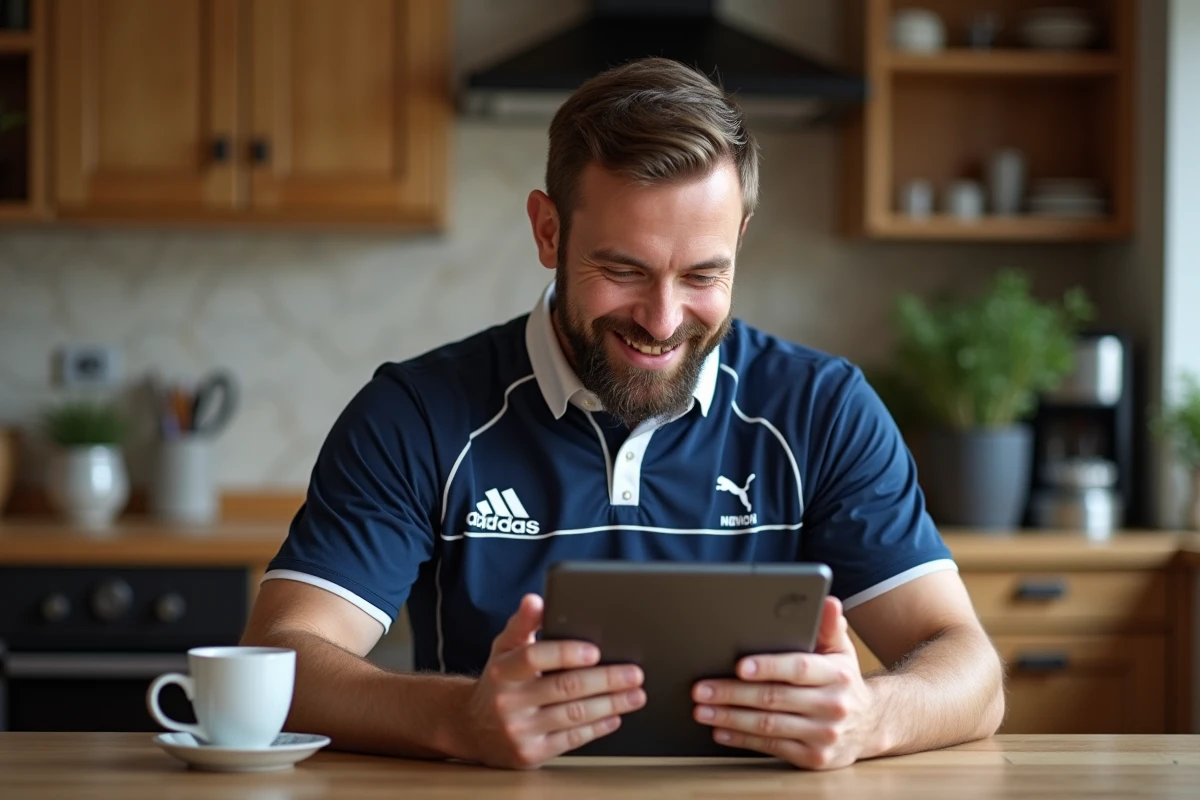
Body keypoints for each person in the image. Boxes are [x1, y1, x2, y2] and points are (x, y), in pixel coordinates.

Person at [240, 56, 1004, 771]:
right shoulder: (417, 414)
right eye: (623, 270)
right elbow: (284, 658)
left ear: (739, 240)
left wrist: (873, 716)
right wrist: (459, 717)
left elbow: (970, 669)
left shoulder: (822, 409)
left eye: (704, 274)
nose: (665, 320)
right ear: (548, 231)